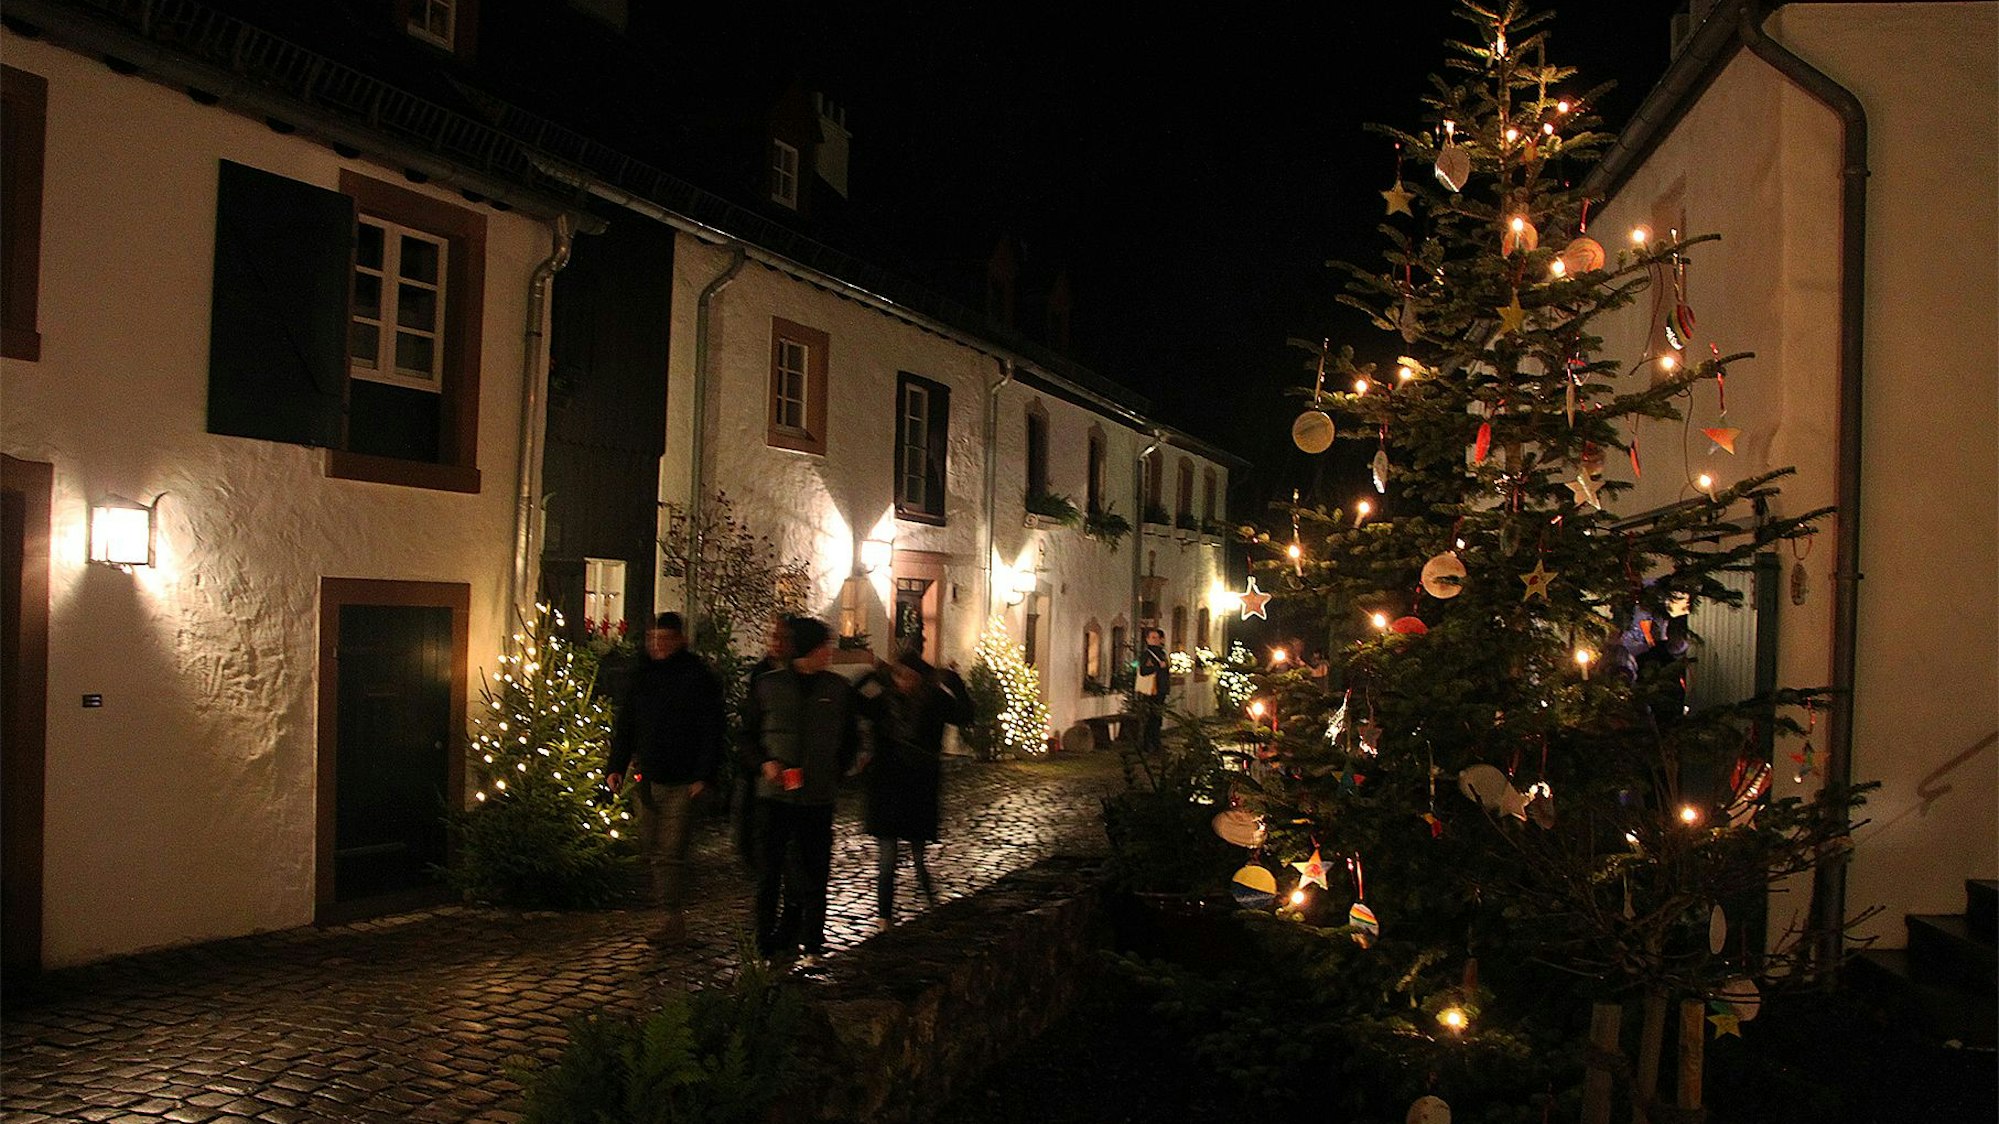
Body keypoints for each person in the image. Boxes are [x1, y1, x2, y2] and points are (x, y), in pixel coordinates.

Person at [738, 615, 860, 967]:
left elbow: (850, 738)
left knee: (814, 871)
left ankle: (811, 943)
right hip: (774, 796)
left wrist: (835, 771)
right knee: (769, 872)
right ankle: (763, 943)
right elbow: (746, 736)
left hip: (817, 798)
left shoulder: (837, 690)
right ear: (810, 649)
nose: (830, 653)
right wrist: (765, 764)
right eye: (825, 647)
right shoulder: (768, 686)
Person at [606, 612, 726, 946]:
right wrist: (615, 765)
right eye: (653, 639)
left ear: (679, 640)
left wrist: (704, 775)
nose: (658, 646)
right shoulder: (641, 676)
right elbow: (627, 724)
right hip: (649, 777)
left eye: (665, 639)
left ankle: (672, 918)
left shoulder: (697, 677)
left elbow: (711, 730)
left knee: (671, 850)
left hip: (684, 779)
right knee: (652, 847)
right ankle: (669, 912)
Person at [860, 651, 974, 931]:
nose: (903, 681)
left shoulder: (935, 700)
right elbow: (856, 700)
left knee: (919, 857)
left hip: (918, 786)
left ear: (921, 678)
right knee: (887, 857)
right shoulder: (883, 699)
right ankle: (884, 917)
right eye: (898, 675)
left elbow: (966, 715)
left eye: (910, 676)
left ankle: (931, 905)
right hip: (886, 786)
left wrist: (955, 681)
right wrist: (873, 673)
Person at [1136, 626, 1172, 753]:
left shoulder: (1162, 653)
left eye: (1157, 637)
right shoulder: (1147, 654)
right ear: (1147, 640)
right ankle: (1149, 743)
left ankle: (1155, 742)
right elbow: (1143, 670)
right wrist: (1158, 667)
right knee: (1151, 717)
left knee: (1157, 717)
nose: (1155, 640)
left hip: (1161, 689)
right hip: (1152, 690)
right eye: (1152, 637)